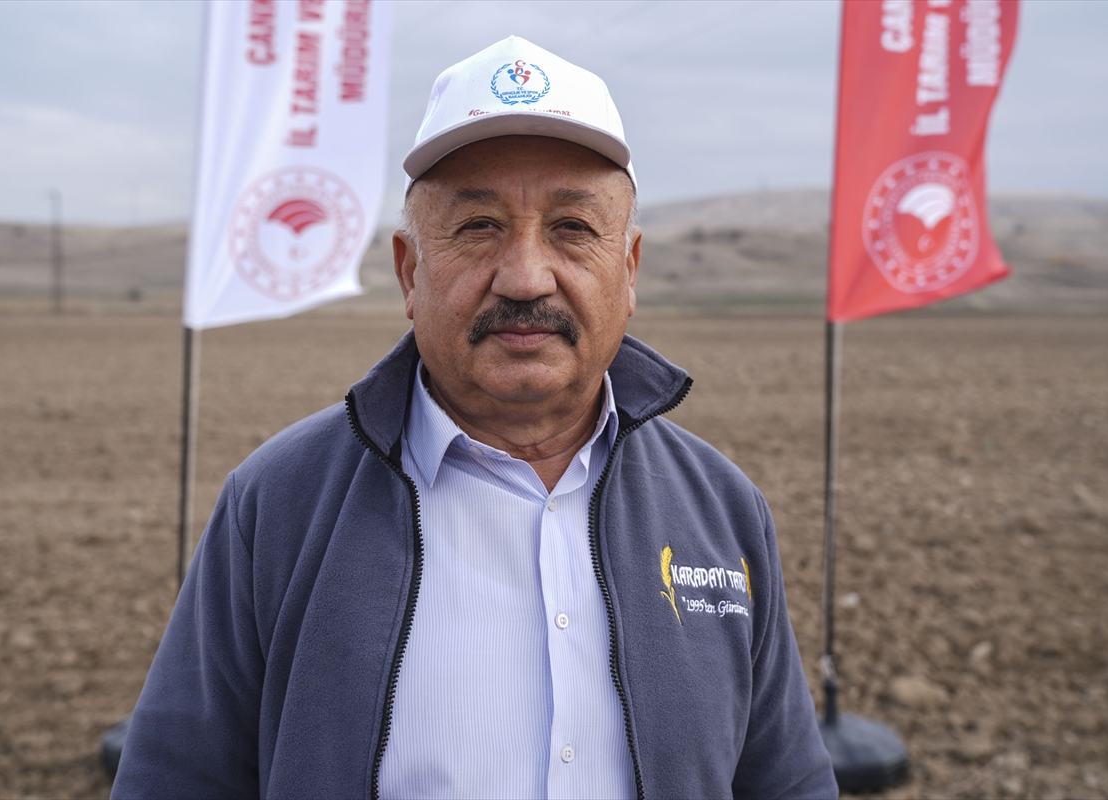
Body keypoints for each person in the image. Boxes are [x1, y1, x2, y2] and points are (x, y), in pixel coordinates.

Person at [112, 36, 837, 800]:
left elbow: (787, 783)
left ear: (628, 273)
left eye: (572, 228)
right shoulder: (278, 506)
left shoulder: (723, 512)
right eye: (479, 227)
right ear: (409, 271)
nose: (525, 277)